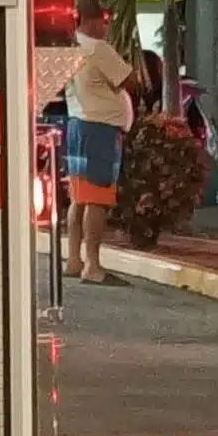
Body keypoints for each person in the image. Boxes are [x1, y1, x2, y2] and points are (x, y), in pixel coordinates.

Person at [62, 18, 135, 283]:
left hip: (77, 125)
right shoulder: (97, 48)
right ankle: (92, 266)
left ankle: (73, 259)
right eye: (104, 21)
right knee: (97, 198)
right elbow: (131, 79)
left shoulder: (69, 45)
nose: (106, 27)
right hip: (99, 130)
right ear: (92, 20)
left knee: (79, 197)